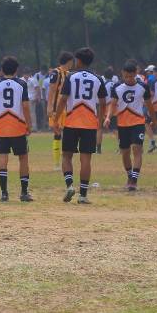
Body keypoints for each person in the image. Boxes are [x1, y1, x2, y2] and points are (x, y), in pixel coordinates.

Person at [54, 47, 106, 204]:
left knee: (67, 156)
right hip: (90, 123)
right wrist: (100, 119)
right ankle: (83, 195)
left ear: (79, 61)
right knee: (86, 159)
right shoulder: (98, 79)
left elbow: (63, 99)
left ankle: (69, 185)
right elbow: (103, 102)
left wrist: (56, 119)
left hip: (71, 121)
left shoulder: (71, 77)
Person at [0, 56, 34, 202]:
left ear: (2, 70)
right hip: (18, 126)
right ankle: (24, 193)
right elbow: (25, 106)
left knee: (3, 157)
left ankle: (4, 193)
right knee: (23, 158)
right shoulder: (22, 84)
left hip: (1, 126)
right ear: (16, 70)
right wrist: (29, 123)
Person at [105, 61, 157, 192]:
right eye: (126, 76)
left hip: (138, 122)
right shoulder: (117, 87)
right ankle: (129, 175)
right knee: (125, 152)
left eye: (131, 76)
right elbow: (113, 104)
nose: (128, 79)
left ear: (135, 74)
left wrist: (154, 119)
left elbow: (149, 105)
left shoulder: (143, 87)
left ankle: (134, 180)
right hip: (122, 124)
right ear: (122, 74)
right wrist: (107, 117)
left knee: (137, 149)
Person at [47, 52, 75, 170]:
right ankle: (57, 163)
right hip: (56, 108)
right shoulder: (56, 72)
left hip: (67, 109)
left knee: (68, 133)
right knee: (57, 133)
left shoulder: (69, 74)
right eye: (72, 61)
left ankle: (65, 160)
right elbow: (52, 91)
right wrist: (49, 107)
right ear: (69, 61)